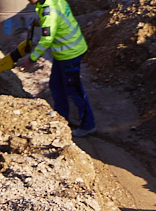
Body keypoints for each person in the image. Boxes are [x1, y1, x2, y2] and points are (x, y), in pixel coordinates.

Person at [16, 0, 95, 137]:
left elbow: (46, 40)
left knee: (74, 90)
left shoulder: (49, 11)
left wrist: (31, 59)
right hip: (63, 53)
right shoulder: (50, 2)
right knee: (56, 85)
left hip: (70, 53)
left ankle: (88, 125)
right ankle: (61, 118)